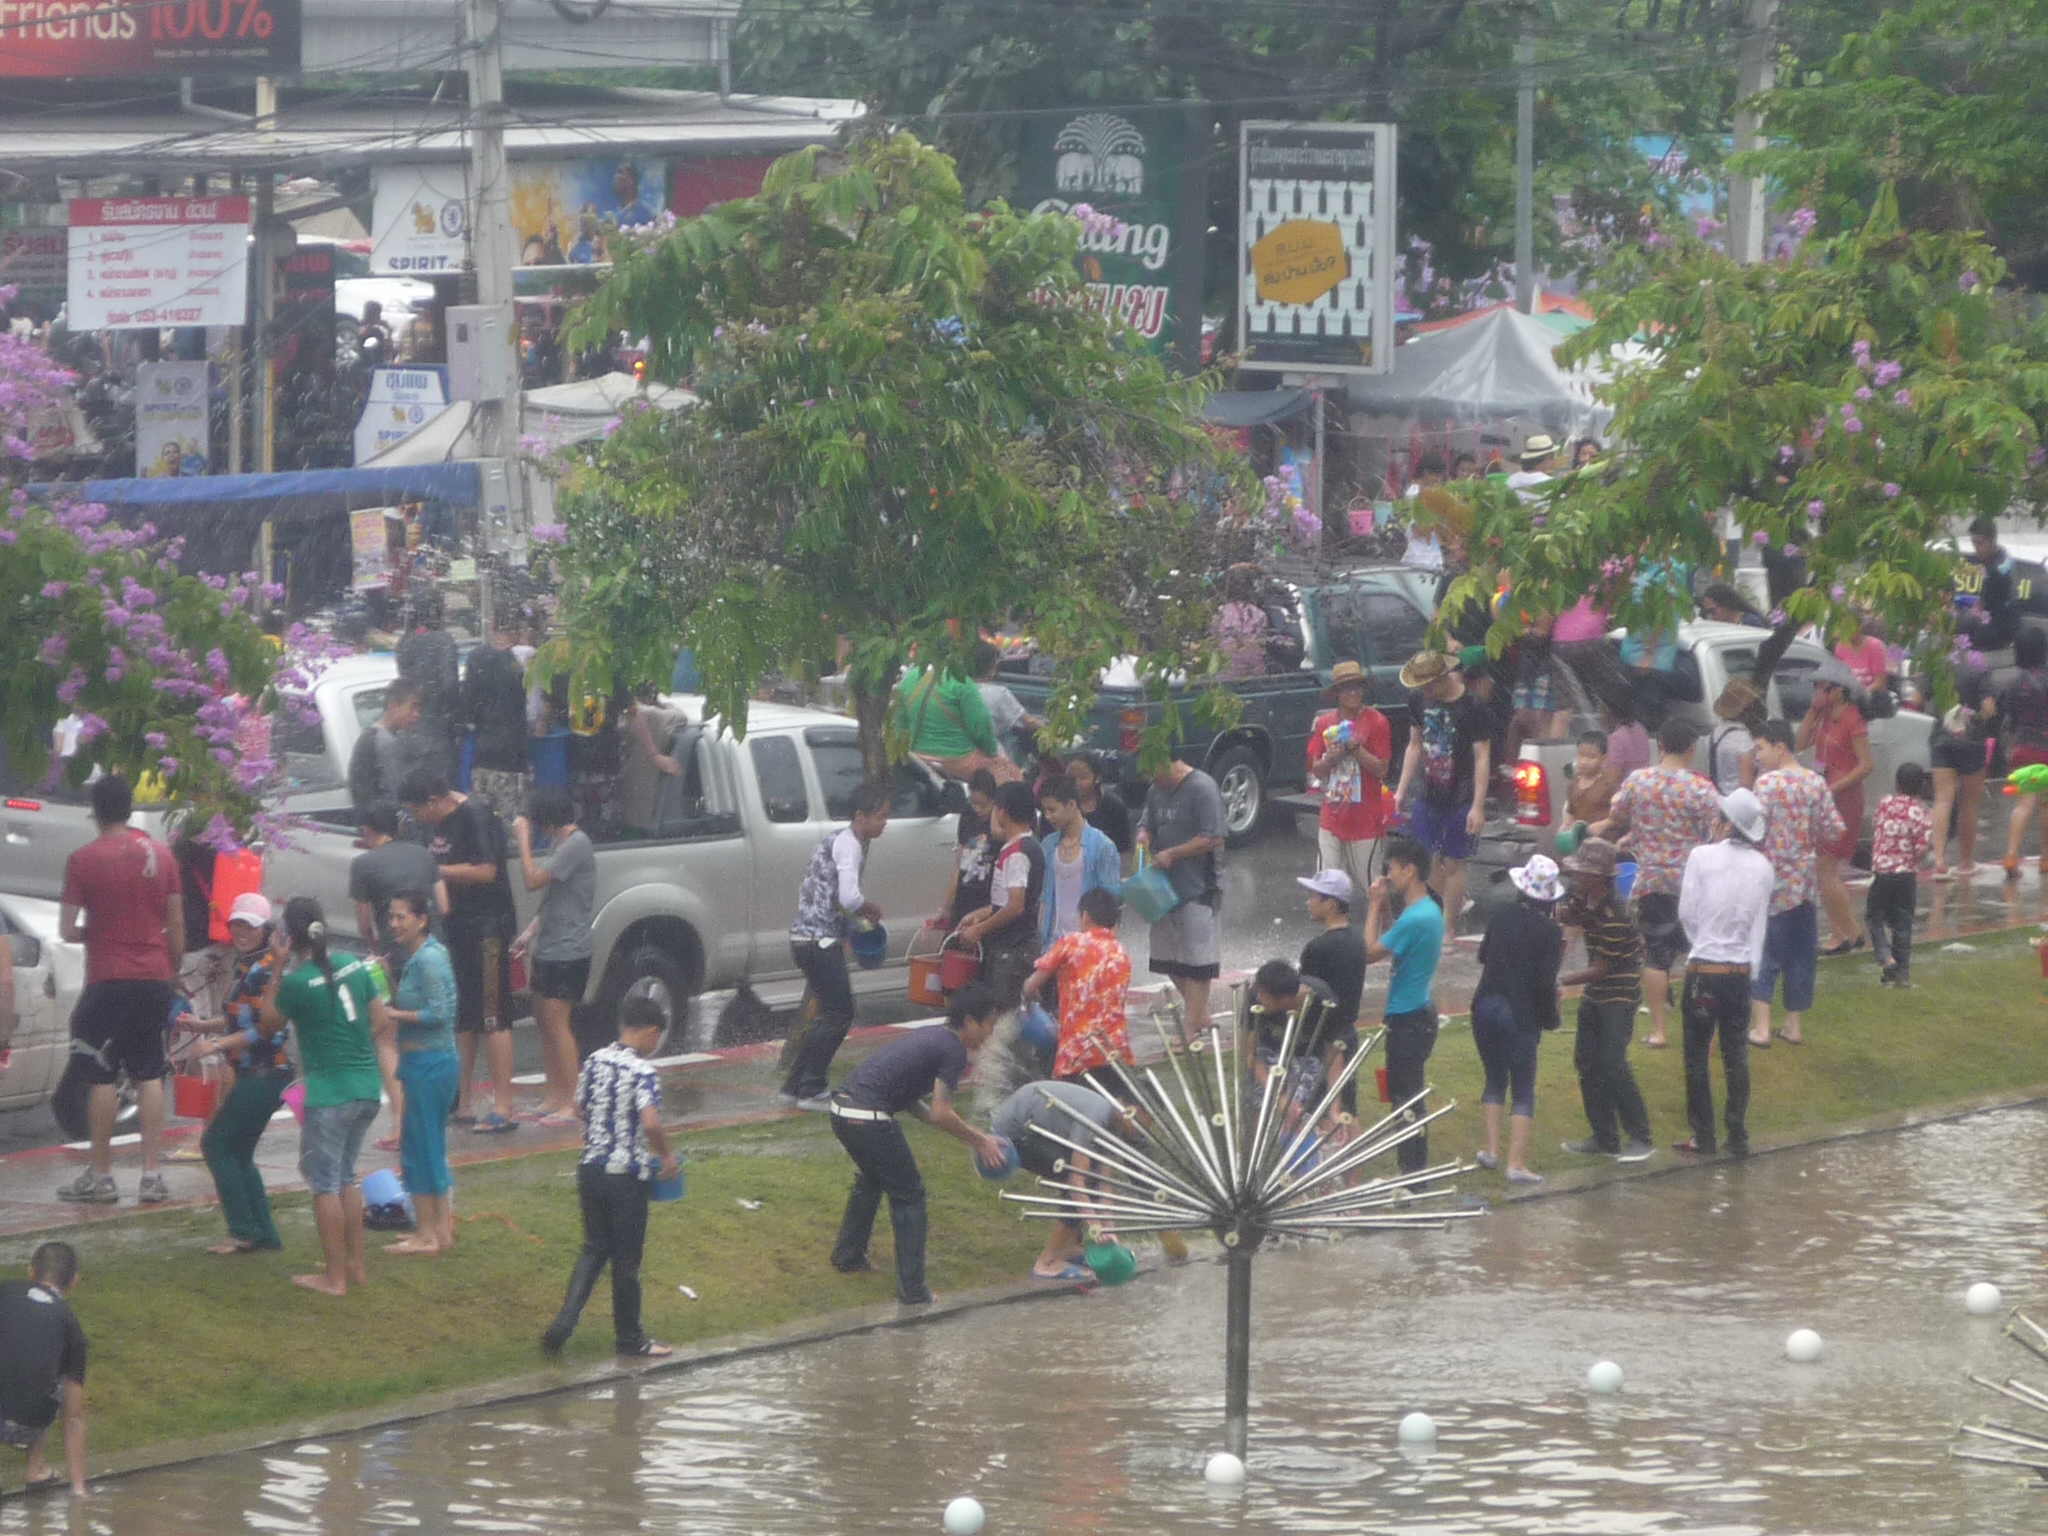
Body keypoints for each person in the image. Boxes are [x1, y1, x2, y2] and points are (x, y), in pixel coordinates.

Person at [826, 983, 1009, 1306]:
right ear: (969, 1022)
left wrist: (961, 1132)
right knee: (910, 1194)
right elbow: (942, 1111)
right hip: (868, 1117)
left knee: (873, 1179)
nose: (989, 1035)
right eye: (988, 1026)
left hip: (841, 1110)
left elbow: (912, 1101)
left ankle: (848, 1256)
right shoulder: (953, 1050)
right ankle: (913, 1291)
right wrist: (981, 1141)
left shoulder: (932, 1037)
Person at [55, 775, 181, 1207]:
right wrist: (172, 969)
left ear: (95, 811)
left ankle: (102, 1175)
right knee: (149, 1073)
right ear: (130, 808)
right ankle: (152, 1175)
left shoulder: (82, 860)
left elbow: (68, 928)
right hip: (154, 976)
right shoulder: (162, 855)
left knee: (101, 1074)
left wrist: (102, 930)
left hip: (107, 978)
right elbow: (176, 925)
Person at [540, 996, 678, 1358]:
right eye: (657, 1038)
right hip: (625, 1178)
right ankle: (631, 1339)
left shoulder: (595, 1060)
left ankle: (563, 1325)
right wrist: (665, 1155)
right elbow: (650, 1122)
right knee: (626, 1261)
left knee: (593, 1248)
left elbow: (580, 1108)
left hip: (590, 1169)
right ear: (651, 1032)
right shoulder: (643, 1072)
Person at [262, 897, 384, 1297]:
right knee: (348, 1176)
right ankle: (356, 1265)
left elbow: (268, 1023)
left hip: (329, 1092)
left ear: (289, 936)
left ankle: (334, 1278)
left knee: (324, 1183)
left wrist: (277, 966)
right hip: (366, 1086)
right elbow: (380, 1019)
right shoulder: (353, 962)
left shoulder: (297, 982)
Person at [402, 770, 520, 1134]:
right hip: (458, 929)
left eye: (417, 810)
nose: (417, 818)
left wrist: (435, 870)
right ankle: (462, 1100)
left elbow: (486, 870)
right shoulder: (435, 824)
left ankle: (503, 1106)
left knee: (492, 1015)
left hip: (488, 928)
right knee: (463, 1017)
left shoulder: (476, 817)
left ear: (436, 801)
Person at [1593, 719, 1722, 1050]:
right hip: (1692, 881)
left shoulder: (1639, 781)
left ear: (1659, 745)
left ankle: (1660, 1030)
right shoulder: (1700, 788)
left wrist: (1635, 832)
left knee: (1655, 953)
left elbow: (1618, 811)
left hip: (1652, 880)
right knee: (1699, 953)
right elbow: (1717, 824)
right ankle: (1705, 1031)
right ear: (1691, 749)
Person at [181, 895, 287, 1254]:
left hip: (264, 1072)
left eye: (249, 926)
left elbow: (267, 1030)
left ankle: (244, 1231)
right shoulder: (250, 965)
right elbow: (239, 1017)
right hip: (256, 1073)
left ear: (264, 929)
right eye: (237, 924)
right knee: (238, 1150)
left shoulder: (265, 969)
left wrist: (215, 1044)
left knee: (217, 1144)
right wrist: (202, 1026)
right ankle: (262, 1232)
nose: (241, 932)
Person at [1675, 789, 1775, 1159]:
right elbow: (1759, 929)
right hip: (1739, 972)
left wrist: (1703, 944)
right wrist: (1750, 971)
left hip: (1704, 970)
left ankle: (1703, 1136)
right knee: (1736, 1056)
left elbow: (1687, 912)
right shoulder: (1764, 867)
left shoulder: (1700, 857)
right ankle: (1738, 1134)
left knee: (1696, 1056)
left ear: (1728, 823)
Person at [782, 781, 891, 1109]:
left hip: (804, 938)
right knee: (840, 1013)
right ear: (860, 817)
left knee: (828, 1014)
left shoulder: (835, 841)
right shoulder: (850, 845)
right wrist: (867, 908)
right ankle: (812, 1088)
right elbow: (848, 896)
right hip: (819, 940)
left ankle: (794, 1086)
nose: (885, 822)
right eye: (881, 816)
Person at [349, 802, 446, 1150]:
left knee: (387, 1037)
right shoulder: (423, 855)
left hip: (395, 958)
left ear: (368, 831)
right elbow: (444, 905)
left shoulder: (364, 865)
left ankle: (401, 1123)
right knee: (431, 1033)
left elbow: (364, 923)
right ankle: (433, 1117)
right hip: (434, 951)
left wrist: (377, 946)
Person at [1556, 839, 1655, 1163]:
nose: (1579, 877)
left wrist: (1559, 981)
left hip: (1619, 994)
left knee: (1613, 1063)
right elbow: (1566, 917)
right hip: (1596, 995)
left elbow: (1600, 969)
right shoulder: (1583, 897)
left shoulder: (1617, 914)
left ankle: (1641, 1136)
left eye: (1585, 873)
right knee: (1586, 1062)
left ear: (1601, 877)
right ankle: (1604, 1136)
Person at [1466, 855, 1563, 1182]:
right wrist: (1551, 1020)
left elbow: (1484, 956)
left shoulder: (1501, 914)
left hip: (1485, 1005)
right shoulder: (1551, 932)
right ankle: (1516, 1164)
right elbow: (1545, 984)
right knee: (1523, 1088)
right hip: (1520, 1015)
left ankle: (1490, 1151)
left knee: (1494, 1079)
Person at [1750, 721, 1844, 1048]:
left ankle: (1761, 1028)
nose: (1757, 756)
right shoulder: (1815, 783)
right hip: (1804, 883)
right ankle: (1793, 1025)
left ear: (1780, 747)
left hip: (1772, 882)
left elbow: (1752, 830)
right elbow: (1834, 828)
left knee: (1766, 952)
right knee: (1800, 956)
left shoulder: (1766, 785)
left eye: (1760, 748)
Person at [376, 891, 461, 1256]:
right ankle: (439, 1230)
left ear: (421, 919)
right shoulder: (420, 958)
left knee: (422, 1150)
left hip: (430, 1064)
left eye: (401, 917)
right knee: (424, 1147)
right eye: (391, 917)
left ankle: (429, 1234)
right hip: (423, 1064)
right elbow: (421, 1003)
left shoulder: (428, 960)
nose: (394, 923)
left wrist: (393, 1015)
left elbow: (440, 1013)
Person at [990, 1080, 1139, 1281]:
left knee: (1091, 1179)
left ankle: (1069, 1248)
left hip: (1040, 1125)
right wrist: (1095, 1225)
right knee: (1077, 1184)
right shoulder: (1094, 1120)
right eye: (1142, 1118)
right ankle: (1046, 1263)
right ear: (1126, 1107)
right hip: (1015, 1134)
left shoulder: (1115, 1123)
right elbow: (1076, 1183)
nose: (1143, 1127)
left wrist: (1108, 1228)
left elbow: (1104, 1181)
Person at [1392, 650, 1491, 949]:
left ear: (1443, 676)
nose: (1426, 691)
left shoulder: (1471, 705)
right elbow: (1414, 745)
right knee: (1424, 857)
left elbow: (1483, 755)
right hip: (1429, 788)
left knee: (1454, 861)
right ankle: (1440, 910)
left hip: (1460, 792)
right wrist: (1400, 790)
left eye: (1429, 685)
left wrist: (1478, 804)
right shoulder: (1418, 700)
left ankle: (1448, 927)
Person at [1362, 837, 1443, 1173]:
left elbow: (1368, 953)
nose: (1388, 876)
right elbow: (1392, 944)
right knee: (1405, 1095)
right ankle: (1412, 1171)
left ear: (1409, 871)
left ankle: (1413, 1176)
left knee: (1406, 1100)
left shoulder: (1416, 917)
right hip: (1417, 1012)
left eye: (1391, 869)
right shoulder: (1426, 909)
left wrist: (1373, 905)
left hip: (1408, 1019)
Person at [513, 789, 594, 1124]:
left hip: (569, 949)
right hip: (549, 944)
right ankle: (553, 1095)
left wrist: (522, 840)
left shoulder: (576, 844)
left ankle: (572, 1101)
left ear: (544, 822)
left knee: (558, 1023)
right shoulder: (559, 845)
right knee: (544, 1021)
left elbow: (532, 880)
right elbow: (553, 897)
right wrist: (530, 932)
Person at [1136, 754, 1227, 1045]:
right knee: (1167, 959)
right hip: (1162, 887)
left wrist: (1173, 853)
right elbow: (1146, 821)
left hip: (1198, 885)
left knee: (1198, 961)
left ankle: (1191, 1027)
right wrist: (1144, 836)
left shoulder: (1202, 788)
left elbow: (1212, 837)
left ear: (1169, 763)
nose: (1153, 781)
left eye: (1155, 773)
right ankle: (1198, 1013)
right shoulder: (1155, 790)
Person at [1022, 887, 1133, 1092]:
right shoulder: (1121, 951)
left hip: (1078, 1052)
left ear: (1085, 916)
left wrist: (1030, 1001)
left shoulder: (1072, 942)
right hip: (1114, 1048)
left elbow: (1030, 986)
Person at [0, 1242, 88, 1498]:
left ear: (30, 1272)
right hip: (27, 1424)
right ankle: (34, 1469)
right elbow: (74, 1417)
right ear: (74, 1282)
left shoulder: (5, 1291)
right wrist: (79, 1489)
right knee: (53, 1378)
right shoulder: (71, 1328)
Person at [1796, 659, 1872, 953]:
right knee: (1823, 869)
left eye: (1822, 687)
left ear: (1839, 690)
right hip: (1826, 797)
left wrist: (1833, 788)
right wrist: (1812, 712)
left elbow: (1866, 765)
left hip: (1844, 798)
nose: (1818, 692)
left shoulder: (1854, 720)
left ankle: (1851, 932)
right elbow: (1800, 743)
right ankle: (1841, 933)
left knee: (1827, 867)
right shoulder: (1824, 716)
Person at [1306, 661, 1393, 900]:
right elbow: (1317, 770)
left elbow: (1381, 770)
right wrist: (1330, 758)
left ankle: (1383, 933)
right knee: (1326, 886)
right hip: (1332, 815)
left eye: (1357, 687)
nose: (1353, 692)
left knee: (1371, 888)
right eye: (1347, 688)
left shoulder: (1377, 722)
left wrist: (1355, 747)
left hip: (1366, 817)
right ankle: (1332, 934)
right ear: (1337, 694)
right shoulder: (1324, 724)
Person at [957, 781, 1045, 1007]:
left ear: (1002, 812)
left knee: (1007, 1014)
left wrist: (979, 929)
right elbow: (1008, 901)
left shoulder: (1017, 853)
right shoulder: (1022, 846)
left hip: (1014, 947)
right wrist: (980, 914)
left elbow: (1016, 905)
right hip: (1014, 944)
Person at [1296, 868, 1367, 1116]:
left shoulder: (1317, 948)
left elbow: (1304, 997)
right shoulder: (1358, 940)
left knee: (1319, 1110)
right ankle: (1355, 1152)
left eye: (1314, 896)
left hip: (1320, 1038)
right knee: (1347, 1107)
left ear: (1331, 904)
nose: (1308, 901)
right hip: (1347, 1032)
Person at [1036, 775, 1122, 947]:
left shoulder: (1102, 846)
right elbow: (1044, 897)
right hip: (1052, 943)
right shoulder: (1048, 845)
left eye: (1052, 810)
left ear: (1072, 805)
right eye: (1044, 811)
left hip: (1087, 945)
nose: (1047, 816)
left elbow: (1111, 903)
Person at [1868, 764, 1934, 987]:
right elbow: (1922, 847)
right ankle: (1901, 975)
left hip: (1883, 873)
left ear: (1897, 784)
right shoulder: (1921, 811)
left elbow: (1878, 824)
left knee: (1874, 917)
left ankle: (1885, 957)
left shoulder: (1885, 803)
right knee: (1903, 924)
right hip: (1906, 876)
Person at [464, 619, 533, 825]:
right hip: (511, 754)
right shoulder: (519, 660)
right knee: (511, 819)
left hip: (483, 752)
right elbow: (527, 706)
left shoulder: (476, 657)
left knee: (483, 821)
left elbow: (468, 705)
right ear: (513, 632)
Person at [896, 659, 1008, 782]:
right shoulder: (961, 681)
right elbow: (980, 727)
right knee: (1008, 776)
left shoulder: (908, 678)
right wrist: (992, 753)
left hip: (916, 758)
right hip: (959, 761)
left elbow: (900, 724)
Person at [1996, 626, 2048, 877]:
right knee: (2046, 805)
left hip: (2023, 747)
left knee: (2024, 803)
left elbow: (2010, 717)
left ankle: (2011, 855)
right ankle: (2046, 859)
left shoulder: (2013, 681)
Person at [395, 592, 460, 779]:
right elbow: (450, 685)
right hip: (437, 732)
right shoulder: (443, 641)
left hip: (410, 733)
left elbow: (405, 681)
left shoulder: (404, 642)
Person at [619, 687, 689, 840]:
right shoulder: (652, 717)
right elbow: (680, 716)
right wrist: (655, 755)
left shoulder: (623, 721)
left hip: (624, 808)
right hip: (640, 814)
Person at [347, 680, 423, 819]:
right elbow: (394, 792)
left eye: (419, 709)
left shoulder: (374, 736)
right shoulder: (384, 741)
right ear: (393, 706)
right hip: (385, 827)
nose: (417, 714)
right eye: (412, 707)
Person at [935, 770, 998, 932]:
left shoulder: (998, 824)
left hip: (987, 899)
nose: (978, 809)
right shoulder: (968, 817)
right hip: (965, 895)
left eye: (983, 805)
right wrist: (946, 906)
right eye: (973, 803)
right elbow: (959, 863)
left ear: (993, 800)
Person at [975, 641, 1042, 765]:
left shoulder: (952, 690)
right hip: (992, 760)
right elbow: (1029, 722)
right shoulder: (998, 693)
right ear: (992, 666)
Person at [1962, 515, 2021, 654]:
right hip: (2004, 627)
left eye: (1979, 543)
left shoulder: (1996, 570)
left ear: (1992, 540)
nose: (1976, 548)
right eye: (1973, 543)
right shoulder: (2002, 554)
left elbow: (1981, 607)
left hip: (1998, 635)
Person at [1066, 752, 1132, 856]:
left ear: (1097, 778)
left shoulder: (1114, 806)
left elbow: (1123, 849)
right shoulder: (1060, 806)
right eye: (1072, 778)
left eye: (1083, 778)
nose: (1076, 783)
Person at [1214, 564, 1272, 679]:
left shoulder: (1219, 614)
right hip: (1255, 676)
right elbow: (1262, 646)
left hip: (1225, 677)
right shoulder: (1260, 615)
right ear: (1252, 588)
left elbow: (1214, 642)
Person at [1707, 677, 1762, 794]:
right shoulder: (1742, 739)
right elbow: (1746, 783)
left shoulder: (1716, 732)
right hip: (1737, 803)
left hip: (1719, 797)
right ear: (1748, 708)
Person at [1563, 730, 1618, 833]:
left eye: (1591, 757)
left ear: (1603, 758)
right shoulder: (1573, 784)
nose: (1584, 761)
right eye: (1581, 755)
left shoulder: (1609, 784)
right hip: (1579, 841)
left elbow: (1620, 814)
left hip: (1602, 840)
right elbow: (1570, 812)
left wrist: (1605, 824)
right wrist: (1565, 826)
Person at [1835, 615, 1891, 691]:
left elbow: (1879, 682)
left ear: (1859, 626)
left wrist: (1862, 694)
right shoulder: (1840, 646)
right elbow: (1838, 677)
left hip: (1871, 695)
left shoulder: (1876, 646)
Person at [1505, 433, 1558, 505]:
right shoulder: (1550, 483)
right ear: (1547, 457)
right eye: (1553, 456)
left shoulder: (1511, 479)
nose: (1553, 460)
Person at [1698, 583, 1768, 629]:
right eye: (1707, 613)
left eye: (1712, 611)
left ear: (1726, 604)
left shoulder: (1750, 623)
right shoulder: (1718, 626)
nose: (1711, 617)